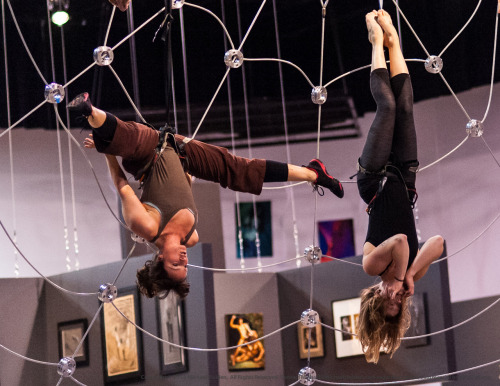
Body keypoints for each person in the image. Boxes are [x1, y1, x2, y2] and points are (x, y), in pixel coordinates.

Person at [68, 93, 343, 300]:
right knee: (237, 170)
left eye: (176, 263)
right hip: (182, 153)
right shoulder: (192, 237)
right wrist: (187, 169)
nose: (184, 259)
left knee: (124, 139)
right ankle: (313, 174)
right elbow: (183, 189)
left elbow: (121, 185)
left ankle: (88, 109)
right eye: (185, 266)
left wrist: (105, 150)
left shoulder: (147, 226)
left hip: (149, 152)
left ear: (161, 258)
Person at [355, 10, 444, 363]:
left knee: (388, 107)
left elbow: (399, 242)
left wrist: (402, 274)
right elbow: (437, 243)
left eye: (386, 303)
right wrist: (410, 277)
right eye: (398, 305)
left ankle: (376, 42)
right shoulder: (410, 278)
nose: (395, 298)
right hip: (405, 179)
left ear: (376, 298)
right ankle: (393, 41)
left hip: (374, 177)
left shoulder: (371, 267)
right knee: (406, 107)